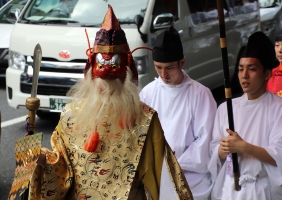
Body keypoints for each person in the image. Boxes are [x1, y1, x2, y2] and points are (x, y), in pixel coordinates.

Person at [9, 5, 193, 200]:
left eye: (112, 81)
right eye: (101, 82)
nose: (105, 89)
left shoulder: (145, 120)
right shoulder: (72, 115)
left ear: (127, 76)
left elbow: (165, 179)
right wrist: (40, 160)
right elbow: (60, 172)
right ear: (89, 74)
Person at [209, 31, 282, 200]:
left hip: (261, 189)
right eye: (241, 69)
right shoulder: (225, 108)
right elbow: (214, 151)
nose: (244, 75)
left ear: (267, 74)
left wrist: (244, 147)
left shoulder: (281, 108)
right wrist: (222, 149)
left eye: (252, 69)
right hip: (230, 189)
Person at [139, 26, 217, 200]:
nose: (163, 74)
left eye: (169, 67)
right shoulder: (148, 92)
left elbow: (205, 141)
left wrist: (173, 166)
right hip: (155, 175)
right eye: (158, 67)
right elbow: (141, 134)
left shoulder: (200, 94)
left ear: (182, 63)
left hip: (190, 179)